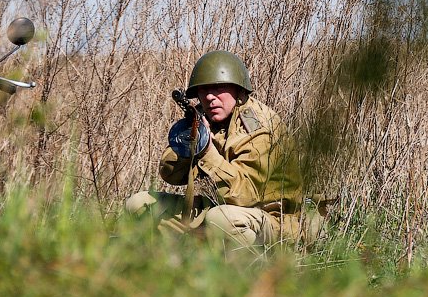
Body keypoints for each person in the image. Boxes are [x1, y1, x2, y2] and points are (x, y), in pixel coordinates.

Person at [125, 50, 321, 250]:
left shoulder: (259, 128)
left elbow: (245, 196)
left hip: (272, 220)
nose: (210, 97)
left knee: (220, 219)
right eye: (203, 90)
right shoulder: (205, 118)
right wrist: (188, 141)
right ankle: (178, 260)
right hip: (219, 209)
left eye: (219, 88)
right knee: (139, 204)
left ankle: (254, 264)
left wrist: (206, 152)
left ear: (238, 89)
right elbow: (170, 174)